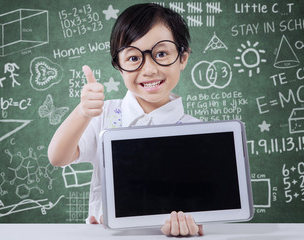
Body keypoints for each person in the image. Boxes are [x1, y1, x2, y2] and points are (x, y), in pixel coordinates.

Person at [48, 3, 203, 236]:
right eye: (133, 58)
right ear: (118, 66)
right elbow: (58, 157)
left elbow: (202, 202)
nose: (149, 69)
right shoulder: (105, 116)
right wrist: (82, 112)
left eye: (161, 54)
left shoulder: (198, 132)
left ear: (182, 57)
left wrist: (189, 223)